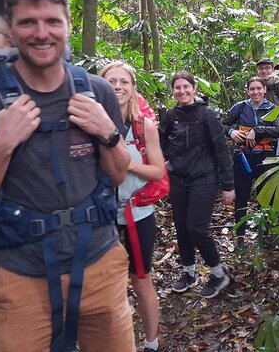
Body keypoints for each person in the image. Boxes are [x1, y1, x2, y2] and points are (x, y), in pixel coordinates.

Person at [0, 0, 136, 351]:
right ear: (12, 31)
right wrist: (3, 143)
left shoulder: (96, 91)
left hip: (99, 263)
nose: (41, 32)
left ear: (67, 26)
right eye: (28, 22)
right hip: (22, 274)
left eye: (52, 21)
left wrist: (107, 132)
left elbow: (116, 175)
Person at [100, 61, 162, 352]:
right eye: (111, 81)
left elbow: (159, 171)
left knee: (141, 280)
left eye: (124, 82)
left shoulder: (144, 126)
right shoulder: (92, 125)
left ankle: (152, 342)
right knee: (106, 284)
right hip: (102, 216)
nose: (118, 87)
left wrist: (128, 163)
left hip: (138, 214)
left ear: (133, 88)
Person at [159, 71, 235, 299]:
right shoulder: (170, 115)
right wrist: (163, 161)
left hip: (204, 179)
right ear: (173, 91)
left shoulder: (206, 115)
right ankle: (188, 272)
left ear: (194, 88)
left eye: (186, 87)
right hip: (178, 179)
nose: (181, 91)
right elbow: (162, 141)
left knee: (196, 227)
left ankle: (218, 273)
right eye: (177, 88)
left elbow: (221, 150)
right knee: (181, 226)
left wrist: (228, 185)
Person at [222, 77, 279, 249]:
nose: (255, 92)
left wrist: (257, 130)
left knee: (266, 195)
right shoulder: (240, 108)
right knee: (242, 196)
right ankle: (240, 235)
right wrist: (232, 132)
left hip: (266, 156)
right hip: (243, 156)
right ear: (247, 91)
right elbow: (222, 125)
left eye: (259, 89)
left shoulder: (272, 109)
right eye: (252, 89)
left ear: (264, 90)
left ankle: (267, 233)